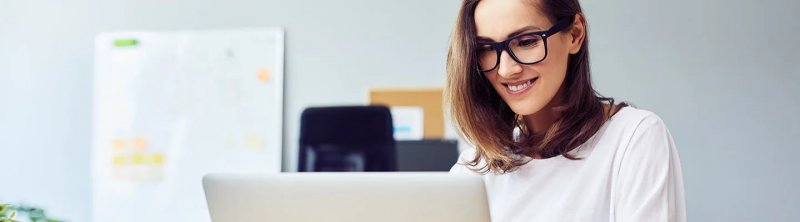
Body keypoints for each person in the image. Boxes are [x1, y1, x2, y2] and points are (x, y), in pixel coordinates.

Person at [445, 0, 686, 221]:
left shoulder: (634, 139)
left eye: (527, 41)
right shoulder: (474, 170)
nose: (506, 70)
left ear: (575, 34)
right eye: (485, 49)